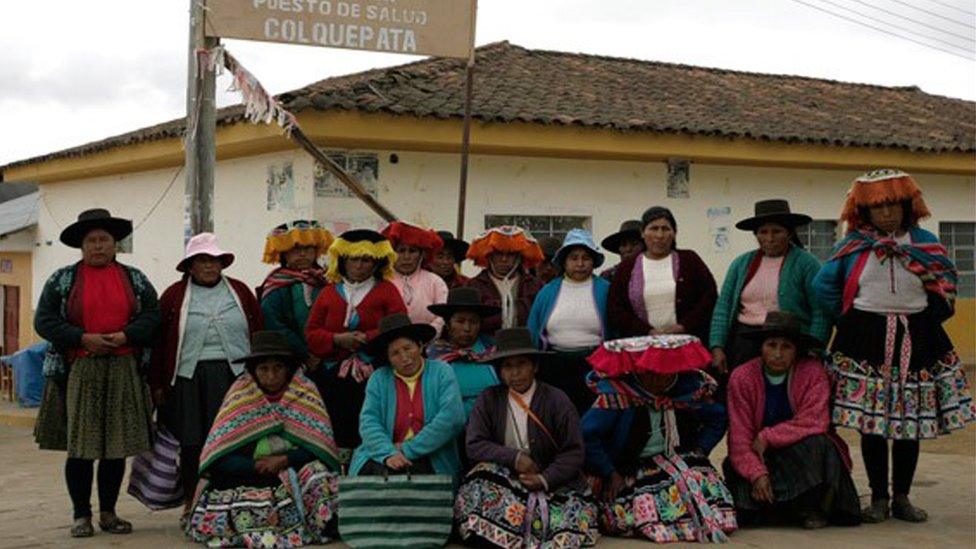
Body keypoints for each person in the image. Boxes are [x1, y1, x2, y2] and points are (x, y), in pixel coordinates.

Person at [814, 169, 976, 523]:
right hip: (864, 339)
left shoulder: (925, 242)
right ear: (865, 211)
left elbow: (946, 283)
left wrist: (929, 319)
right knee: (872, 424)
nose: (886, 214)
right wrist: (848, 320)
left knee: (910, 421)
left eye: (893, 206)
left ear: (907, 206)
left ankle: (902, 497)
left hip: (917, 338)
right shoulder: (853, 246)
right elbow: (823, 286)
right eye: (878, 207)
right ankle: (878, 498)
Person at [33, 209, 160, 538]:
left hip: (123, 368)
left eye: (104, 239)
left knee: (115, 447)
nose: (98, 246)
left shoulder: (136, 280)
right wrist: (81, 337)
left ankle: (108, 512)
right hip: (81, 368)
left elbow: (153, 317)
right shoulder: (63, 280)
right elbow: (44, 320)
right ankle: (80, 515)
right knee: (82, 447)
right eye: (91, 240)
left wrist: (127, 336)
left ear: (115, 244)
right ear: (81, 246)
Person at [185, 331, 341, 547]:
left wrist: (285, 459)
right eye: (263, 369)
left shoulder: (305, 391)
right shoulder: (240, 395)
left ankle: (307, 526)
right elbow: (219, 454)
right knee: (237, 494)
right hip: (249, 472)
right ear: (253, 371)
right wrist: (256, 465)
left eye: (278, 368)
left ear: (288, 369)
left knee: (319, 475)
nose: (271, 376)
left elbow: (320, 446)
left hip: (293, 470)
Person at [581, 335, 736, 542]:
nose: (655, 380)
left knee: (698, 480)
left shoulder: (688, 388)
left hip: (678, 457)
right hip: (632, 466)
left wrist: (700, 449)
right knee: (632, 509)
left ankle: (699, 523)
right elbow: (587, 434)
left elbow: (717, 418)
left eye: (663, 373)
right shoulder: (619, 393)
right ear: (637, 368)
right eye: (648, 373)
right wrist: (610, 472)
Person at [150, 233, 263, 515]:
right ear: (190, 266)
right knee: (191, 442)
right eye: (202, 261)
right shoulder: (174, 296)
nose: (210, 267)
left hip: (234, 375)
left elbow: (258, 328)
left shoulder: (239, 291)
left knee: (233, 438)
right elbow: (159, 342)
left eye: (214, 260)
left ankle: (231, 497)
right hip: (188, 377)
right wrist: (158, 383)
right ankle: (193, 501)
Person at [456, 328, 599, 548]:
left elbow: (574, 452)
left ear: (535, 366)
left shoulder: (556, 400)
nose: (515, 373)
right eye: (508, 367)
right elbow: (474, 444)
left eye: (521, 364)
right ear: (500, 372)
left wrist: (544, 479)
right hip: (508, 484)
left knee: (564, 528)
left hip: (554, 486)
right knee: (480, 478)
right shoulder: (489, 399)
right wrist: (514, 458)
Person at [724, 311, 861, 529]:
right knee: (742, 496)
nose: (778, 354)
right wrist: (757, 473)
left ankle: (811, 507)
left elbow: (815, 421)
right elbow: (739, 439)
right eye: (771, 345)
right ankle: (779, 508)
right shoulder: (742, 377)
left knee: (819, 443)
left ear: (796, 350)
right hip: (759, 454)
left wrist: (768, 436)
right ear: (761, 347)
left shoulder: (812, 372)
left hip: (802, 455)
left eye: (786, 346)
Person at [305, 229, 407, 450]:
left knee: (374, 422)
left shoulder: (387, 290)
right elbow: (312, 333)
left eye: (366, 260)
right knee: (337, 424)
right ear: (343, 261)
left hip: (376, 372)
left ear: (376, 263)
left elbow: (399, 326)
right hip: (334, 377)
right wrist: (336, 339)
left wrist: (367, 338)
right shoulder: (329, 293)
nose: (360, 266)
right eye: (354, 259)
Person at [710, 199, 829, 378]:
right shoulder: (741, 264)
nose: (770, 238)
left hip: (788, 343)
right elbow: (723, 307)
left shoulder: (806, 264)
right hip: (744, 342)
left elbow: (820, 311)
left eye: (777, 231)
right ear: (756, 235)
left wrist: (814, 349)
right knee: (744, 391)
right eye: (763, 232)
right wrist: (717, 346)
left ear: (789, 233)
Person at [348, 313, 466, 481]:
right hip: (384, 454)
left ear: (419, 346)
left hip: (431, 455)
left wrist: (406, 449)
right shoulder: (379, 379)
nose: (404, 357)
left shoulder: (442, 371)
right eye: (395, 353)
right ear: (388, 358)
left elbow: (452, 418)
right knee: (376, 479)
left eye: (408, 348)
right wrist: (388, 453)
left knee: (412, 478)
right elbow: (369, 422)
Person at [527, 228, 611, 414]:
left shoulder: (606, 290)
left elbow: (616, 331)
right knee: (558, 418)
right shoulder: (548, 291)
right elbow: (533, 330)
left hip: (595, 367)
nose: (580, 263)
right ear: (564, 262)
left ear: (593, 262)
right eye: (574, 258)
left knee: (592, 419)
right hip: (554, 367)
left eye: (586, 258)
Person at [607, 206, 717, 343]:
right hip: (641, 346)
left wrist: (683, 326)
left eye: (665, 229)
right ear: (642, 233)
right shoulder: (627, 268)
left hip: (686, 343)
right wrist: (647, 331)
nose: (659, 235)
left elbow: (709, 296)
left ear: (674, 233)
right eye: (654, 228)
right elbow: (615, 308)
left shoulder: (690, 260)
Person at [257, 220, 334, 367]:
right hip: (291, 360)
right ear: (284, 253)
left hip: (329, 358)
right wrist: (304, 353)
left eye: (308, 248)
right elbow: (273, 323)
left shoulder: (328, 281)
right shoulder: (276, 284)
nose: (302, 254)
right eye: (295, 249)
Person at [427, 286, 501, 419]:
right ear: (448, 324)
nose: (467, 328)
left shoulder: (494, 351)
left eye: (473, 322)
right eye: (460, 321)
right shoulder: (433, 357)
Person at [465, 226, 545, 336]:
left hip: (526, 346)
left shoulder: (535, 286)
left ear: (519, 257)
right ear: (489, 255)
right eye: (498, 253)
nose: (504, 259)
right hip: (486, 347)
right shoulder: (473, 286)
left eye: (510, 254)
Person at [382, 221, 449, 331]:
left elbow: (442, 315)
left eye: (412, 251)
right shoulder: (383, 280)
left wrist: (428, 334)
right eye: (401, 251)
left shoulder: (435, 282)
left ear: (421, 255)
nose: (406, 257)